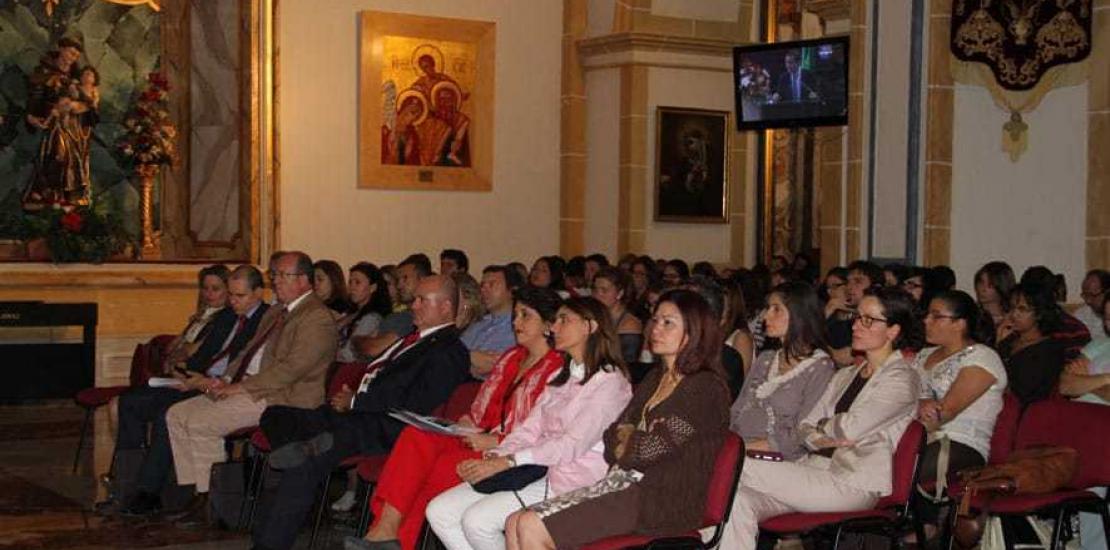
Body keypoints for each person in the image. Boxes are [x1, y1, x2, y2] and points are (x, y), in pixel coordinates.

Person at [251, 275, 470, 550]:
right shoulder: (412, 339)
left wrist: (356, 401)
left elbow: (417, 402)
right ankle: (297, 447)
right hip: (355, 415)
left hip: (383, 426)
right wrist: (353, 396)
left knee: (304, 466)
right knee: (275, 414)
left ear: (446, 307)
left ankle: (269, 543)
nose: (413, 306)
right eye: (414, 299)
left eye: (421, 300)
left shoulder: (450, 350)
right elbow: (380, 377)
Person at [504, 289, 730, 549]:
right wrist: (631, 439)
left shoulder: (704, 388)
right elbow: (612, 438)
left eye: (668, 323)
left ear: (694, 332)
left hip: (662, 500)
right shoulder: (655, 378)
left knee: (531, 525)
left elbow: (649, 449)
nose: (656, 329)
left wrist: (630, 439)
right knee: (515, 521)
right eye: (655, 320)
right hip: (622, 485)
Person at [345, 287, 565, 550]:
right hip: (475, 437)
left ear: (548, 325)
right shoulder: (511, 357)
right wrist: (465, 423)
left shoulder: (558, 368)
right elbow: (481, 409)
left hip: (508, 453)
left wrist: (494, 440)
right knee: (415, 436)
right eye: (515, 315)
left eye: (525, 316)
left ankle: (385, 536)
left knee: (425, 473)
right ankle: (384, 533)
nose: (516, 322)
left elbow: (544, 433)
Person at [718, 287, 921, 549]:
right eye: (857, 317)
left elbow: (850, 429)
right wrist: (825, 433)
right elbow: (805, 427)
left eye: (868, 320)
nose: (856, 326)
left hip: (852, 482)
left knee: (731, 464)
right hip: (814, 470)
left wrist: (824, 428)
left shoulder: (902, 379)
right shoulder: (846, 374)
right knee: (738, 502)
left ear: (893, 330)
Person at [425, 297, 632, 550]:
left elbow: (570, 446)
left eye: (564, 320)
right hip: (539, 470)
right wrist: (495, 458)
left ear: (590, 327)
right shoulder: (561, 376)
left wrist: (509, 462)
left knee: (477, 522)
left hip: (575, 481)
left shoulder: (609, 383)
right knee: (439, 512)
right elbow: (529, 430)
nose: (553, 327)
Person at [163, 252, 338, 527]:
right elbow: (246, 350)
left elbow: (292, 370)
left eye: (283, 276)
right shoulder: (277, 311)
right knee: (177, 414)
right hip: (250, 387)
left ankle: (215, 503)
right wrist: (226, 379)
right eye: (275, 275)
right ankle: (196, 491)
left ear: (304, 280)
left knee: (200, 422)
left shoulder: (316, 317)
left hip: (281, 397)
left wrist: (240, 387)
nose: (276, 281)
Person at [115, 266, 270, 516]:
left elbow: (243, 364)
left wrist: (205, 380)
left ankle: (149, 491)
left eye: (239, 296)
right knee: (130, 402)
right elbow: (206, 352)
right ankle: (126, 483)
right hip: (199, 379)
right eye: (231, 294)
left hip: (223, 385)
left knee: (168, 413)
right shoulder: (227, 316)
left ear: (258, 293)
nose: (232, 301)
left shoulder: (267, 320)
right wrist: (186, 372)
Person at [911, 290, 1006, 527]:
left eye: (936, 316)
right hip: (916, 434)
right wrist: (916, 405)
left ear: (959, 323)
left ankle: (928, 527)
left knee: (901, 464)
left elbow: (944, 413)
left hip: (960, 443)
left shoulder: (982, 357)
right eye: (927, 315)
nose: (926, 321)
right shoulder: (923, 355)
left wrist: (913, 408)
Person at [729, 281, 835, 459]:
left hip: (776, 456)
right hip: (739, 445)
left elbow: (803, 431)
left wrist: (743, 449)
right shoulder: (766, 359)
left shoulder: (820, 368)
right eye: (768, 308)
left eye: (776, 309)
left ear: (799, 315)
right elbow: (737, 409)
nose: (766, 316)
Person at [23, 37, 94, 209]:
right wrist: (31, 115)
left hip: (74, 127)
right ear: (61, 49)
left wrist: (80, 105)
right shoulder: (45, 71)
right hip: (55, 123)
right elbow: (36, 96)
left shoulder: (77, 75)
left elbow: (88, 101)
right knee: (56, 155)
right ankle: (46, 195)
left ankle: (69, 197)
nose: (72, 57)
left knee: (74, 160)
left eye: (76, 55)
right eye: (71, 52)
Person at [996, 282, 1065, 408]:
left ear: (1039, 313)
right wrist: (998, 342)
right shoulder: (1008, 339)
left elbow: (1021, 395)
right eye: (1012, 308)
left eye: (1022, 309)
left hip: (1026, 411)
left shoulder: (1048, 350)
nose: (1014, 314)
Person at [359, 254, 432, 358]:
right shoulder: (398, 314)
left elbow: (372, 348)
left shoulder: (412, 317)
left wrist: (357, 340)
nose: (399, 286)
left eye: (405, 278)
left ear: (422, 279)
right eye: (398, 280)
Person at [161, 264, 231, 370]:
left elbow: (195, 350)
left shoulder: (226, 317)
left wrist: (174, 359)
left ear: (228, 290)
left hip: (197, 368)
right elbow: (173, 345)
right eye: (205, 288)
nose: (209, 293)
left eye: (215, 289)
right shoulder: (203, 313)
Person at [463, 266, 524, 378]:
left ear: (511, 291)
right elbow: (455, 352)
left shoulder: (518, 328)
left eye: (492, 285)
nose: (483, 290)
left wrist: (467, 358)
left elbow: (489, 368)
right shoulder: (478, 323)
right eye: (482, 285)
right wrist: (470, 357)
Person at [337, 262, 393, 363]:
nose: (352, 287)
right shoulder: (351, 313)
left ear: (372, 287)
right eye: (350, 282)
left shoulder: (371, 318)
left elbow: (349, 355)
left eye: (357, 283)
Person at [591, 266, 643, 365]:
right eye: (595, 290)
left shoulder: (630, 325)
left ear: (620, 293)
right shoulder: (596, 316)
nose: (597, 295)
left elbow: (627, 363)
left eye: (604, 290)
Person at [974, 261, 1016, 342]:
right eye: (981, 282)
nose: (983, 289)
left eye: (990, 285)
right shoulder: (972, 315)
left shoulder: (1013, 319)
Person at [1076, 270, 1109, 341]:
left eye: (1093, 295)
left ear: (1107, 292)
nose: (1088, 301)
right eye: (1085, 295)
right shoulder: (1081, 315)